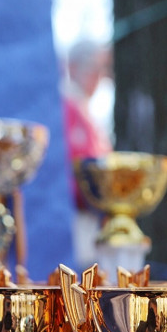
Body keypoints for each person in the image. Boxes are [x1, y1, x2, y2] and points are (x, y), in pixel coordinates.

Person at [63, 40, 113, 267]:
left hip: (94, 219)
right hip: (75, 220)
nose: (99, 78)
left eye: (102, 70)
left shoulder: (84, 109)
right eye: (94, 68)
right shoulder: (67, 107)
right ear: (73, 67)